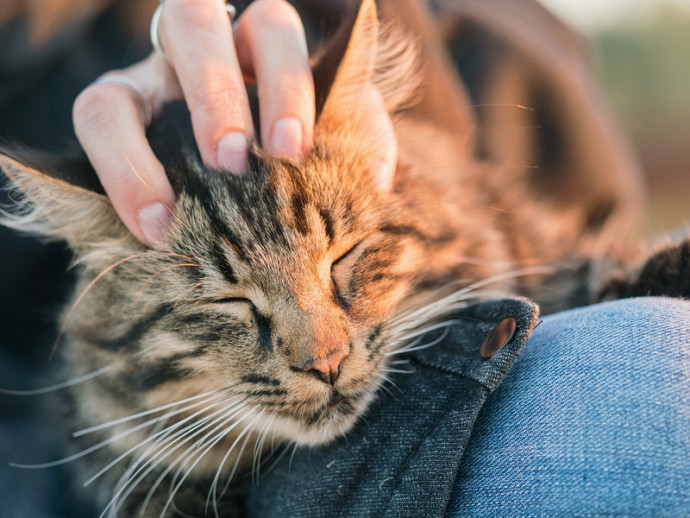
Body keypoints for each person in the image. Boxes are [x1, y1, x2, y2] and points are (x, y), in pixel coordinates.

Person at [0, 1, 687, 516]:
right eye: (231, 305)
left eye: (345, 261)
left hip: (480, 265)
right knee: (643, 383)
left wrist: (301, 23)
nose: (321, 353)